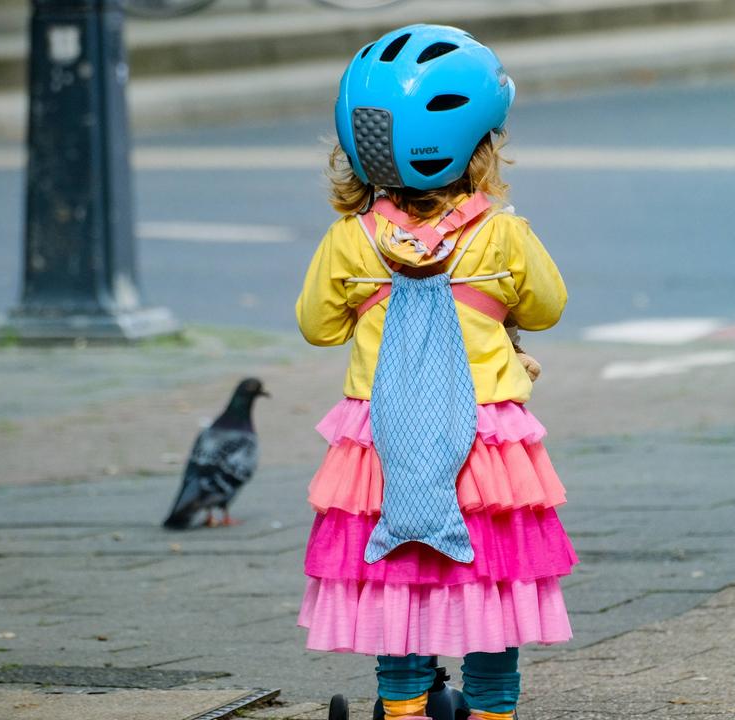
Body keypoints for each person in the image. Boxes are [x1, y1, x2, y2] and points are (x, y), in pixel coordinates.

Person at [295, 23, 576, 720]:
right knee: (490, 576)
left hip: (383, 439)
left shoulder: (350, 243)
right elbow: (546, 310)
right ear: (481, 149)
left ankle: (404, 706)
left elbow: (317, 326)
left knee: (402, 573)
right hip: (485, 439)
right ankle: (489, 709)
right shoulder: (505, 236)